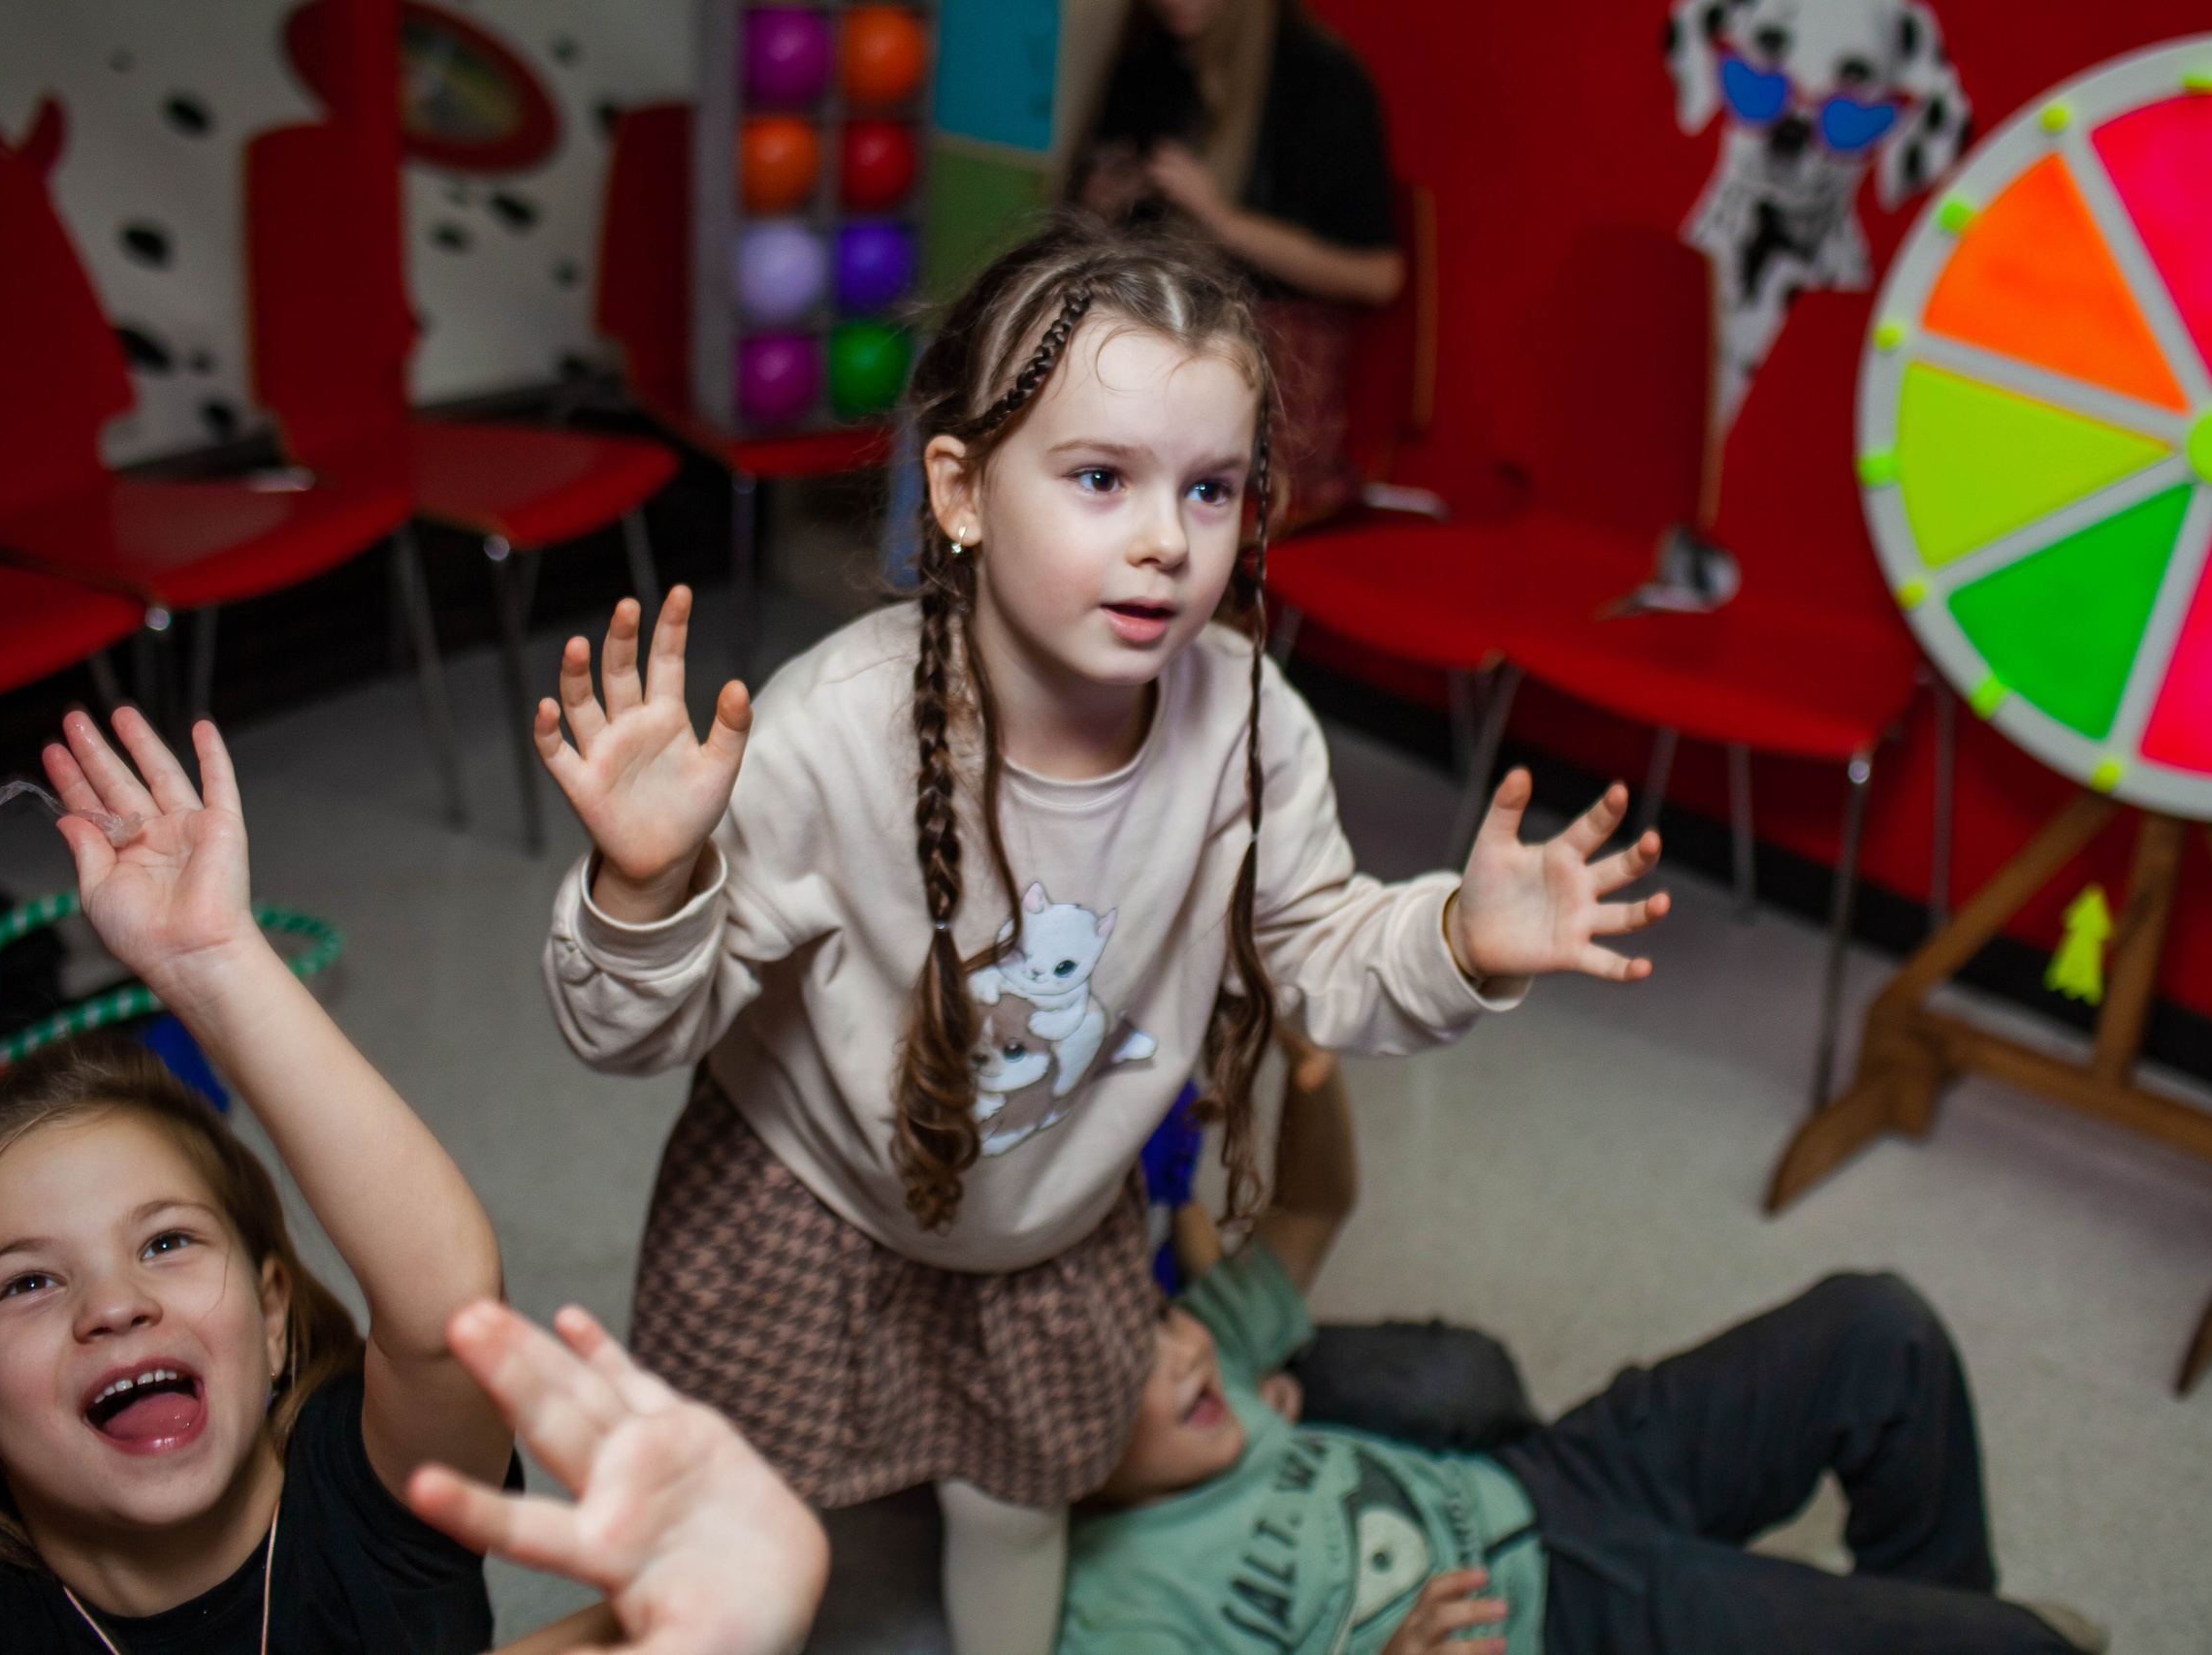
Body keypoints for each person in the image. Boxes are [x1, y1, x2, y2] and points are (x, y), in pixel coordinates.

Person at [537, 216, 1669, 1655]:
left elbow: (1324, 950)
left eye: (1209, 490)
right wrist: (642, 886)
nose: (1161, 539)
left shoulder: (1249, 722)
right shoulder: (829, 731)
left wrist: (1458, 932)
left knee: (1021, 1506)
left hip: (1052, 1228)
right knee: (751, 1536)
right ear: (958, 489)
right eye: (1098, 477)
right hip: (801, 1211)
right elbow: (621, 1030)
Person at [0, 706, 824, 1653]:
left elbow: (446, 1306)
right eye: (28, 1282)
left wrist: (216, 963)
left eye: (166, 1241)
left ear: (269, 1321)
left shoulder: (364, 1496)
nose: (115, 1304)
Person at [1062, 1047, 2111, 1655]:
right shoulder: (1116, 1612)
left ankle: (1945, 1611)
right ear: (1041, 1452)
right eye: (1129, 1378)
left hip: (1548, 1479)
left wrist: (1308, 1061)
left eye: (1157, 1328)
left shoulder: (1208, 1363)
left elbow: (1316, 1203)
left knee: (1879, 1331)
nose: (1184, 1357)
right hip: (1563, 1625)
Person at [1076, 0, 1403, 525]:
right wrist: (1100, 203)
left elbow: (1378, 276)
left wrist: (1219, 220)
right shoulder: (1148, 61)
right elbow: (1086, 230)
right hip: (1153, 335)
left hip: (1262, 363)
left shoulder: (1319, 77)